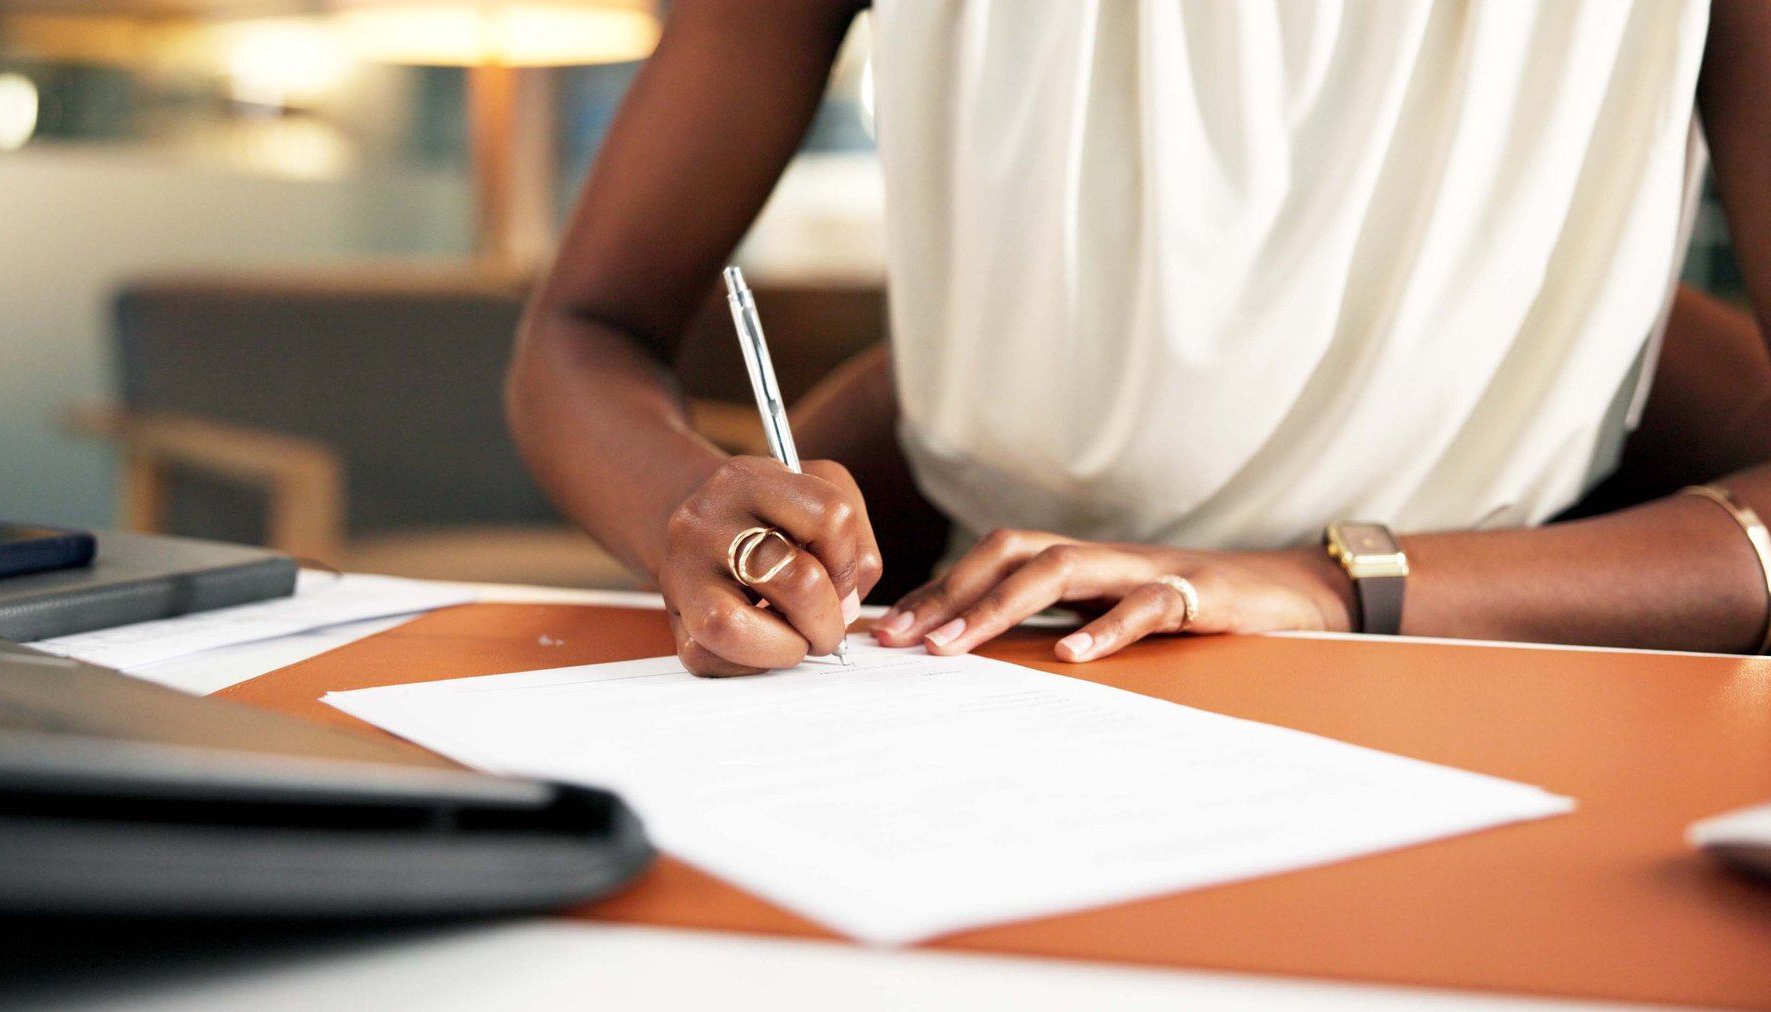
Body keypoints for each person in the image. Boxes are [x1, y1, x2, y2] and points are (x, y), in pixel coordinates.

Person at [509, 0, 1771, 676]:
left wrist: (1325, 584)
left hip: (1495, 665)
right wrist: (700, 519)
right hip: (985, 674)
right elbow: (583, 329)